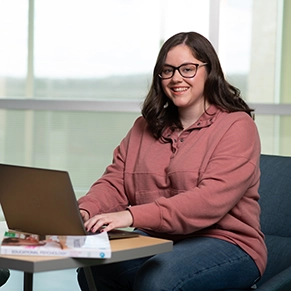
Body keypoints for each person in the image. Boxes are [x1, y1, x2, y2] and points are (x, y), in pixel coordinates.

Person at [77, 31, 267, 291]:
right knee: (95, 267)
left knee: (159, 279)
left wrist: (131, 216)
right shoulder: (143, 127)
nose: (176, 78)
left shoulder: (237, 126)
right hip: (159, 239)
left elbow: (207, 201)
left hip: (227, 242)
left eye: (188, 69)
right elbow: (115, 182)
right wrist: (86, 210)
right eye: (168, 70)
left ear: (209, 71)